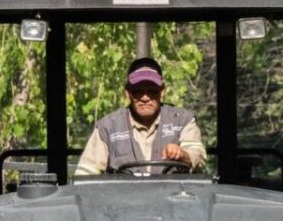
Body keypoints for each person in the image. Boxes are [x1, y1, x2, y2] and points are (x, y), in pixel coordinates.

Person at [76, 57, 206, 175]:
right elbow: (85, 174)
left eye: (152, 91)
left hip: (175, 197)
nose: (145, 97)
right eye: (138, 91)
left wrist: (183, 154)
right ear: (128, 93)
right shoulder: (108, 127)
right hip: (122, 199)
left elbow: (197, 155)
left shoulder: (182, 120)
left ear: (162, 92)